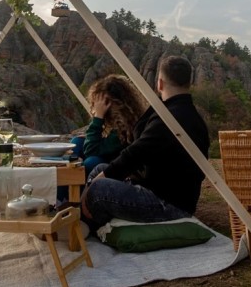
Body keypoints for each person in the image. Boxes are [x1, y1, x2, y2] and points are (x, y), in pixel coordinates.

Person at [81, 55, 210, 232]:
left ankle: (89, 226)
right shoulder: (186, 114)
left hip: (169, 205)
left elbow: (134, 153)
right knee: (99, 168)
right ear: (189, 82)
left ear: (160, 83)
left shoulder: (170, 118)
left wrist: (92, 189)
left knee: (98, 188)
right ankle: (92, 222)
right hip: (165, 193)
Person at [71, 74, 147, 176]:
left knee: (91, 162)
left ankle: (73, 186)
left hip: (119, 170)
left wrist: (98, 117)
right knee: (77, 142)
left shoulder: (124, 130)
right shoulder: (127, 121)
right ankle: (69, 182)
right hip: (111, 158)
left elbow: (91, 150)